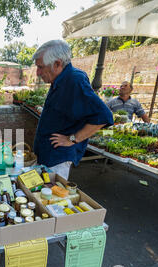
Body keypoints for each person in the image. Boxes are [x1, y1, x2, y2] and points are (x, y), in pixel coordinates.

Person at [32, 40, 114, 180]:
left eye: (40, 67)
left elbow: (104, 116)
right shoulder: (60, 79)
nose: (38, 73)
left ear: (57, 64)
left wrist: (73, 139)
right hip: (48, 154)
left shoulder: (74, 81)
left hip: (57, 159)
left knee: (51, 196)